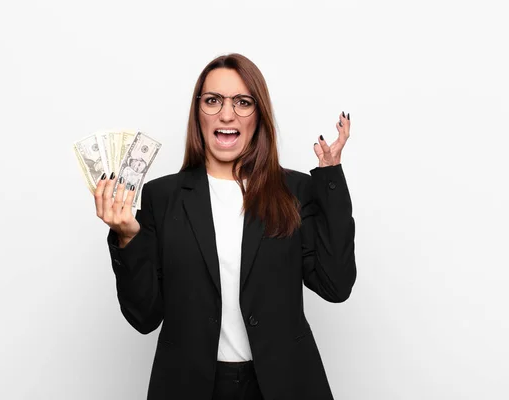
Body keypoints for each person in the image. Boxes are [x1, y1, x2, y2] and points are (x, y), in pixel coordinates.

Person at [94, 53, 356, 400]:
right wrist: (128, 238)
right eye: (213, 100)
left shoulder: (293, 192)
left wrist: (330, 180)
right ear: (198, 112)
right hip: (191, 386)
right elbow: (144, 316)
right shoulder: (162, 196)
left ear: (258, 116)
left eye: (242, 102)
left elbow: (335, 285)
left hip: (283, 384)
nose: (227, 114)